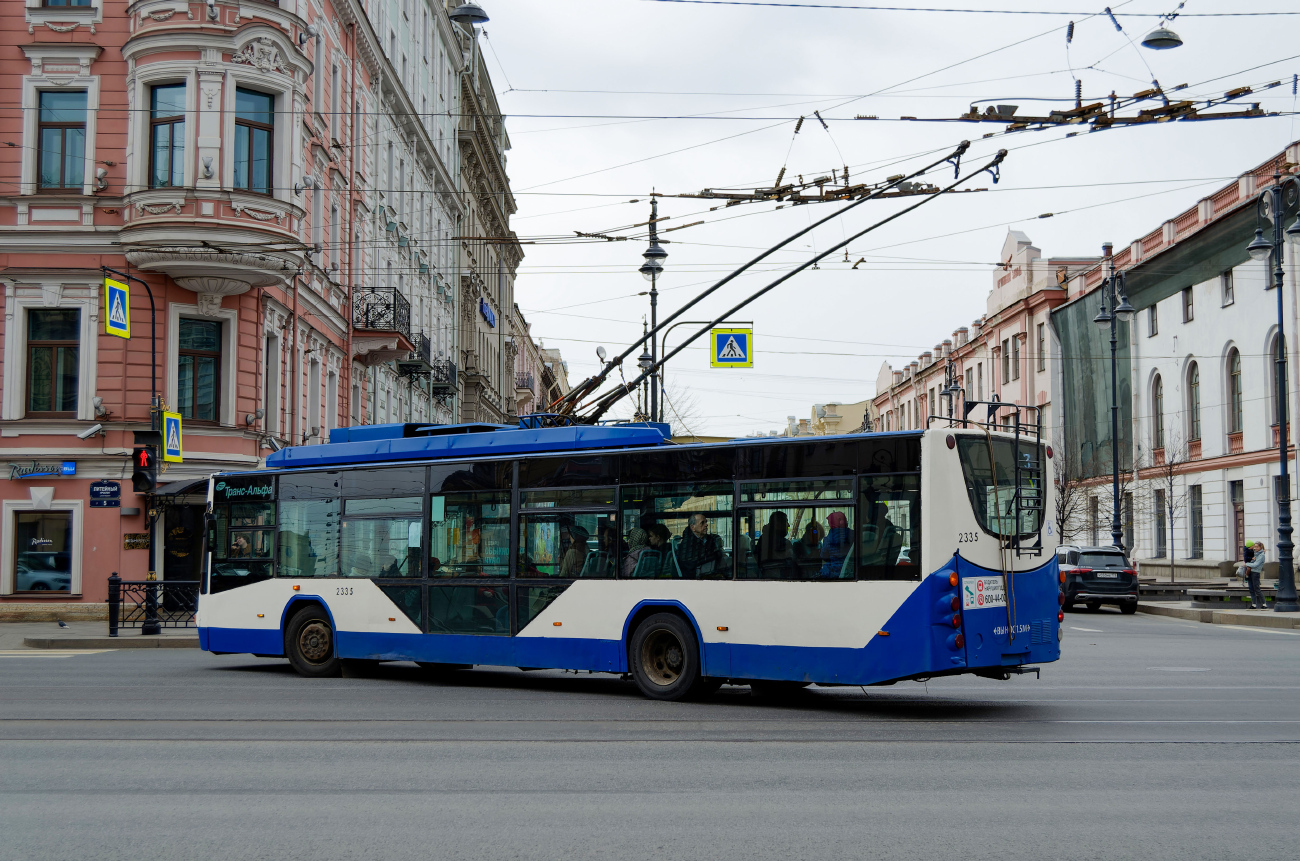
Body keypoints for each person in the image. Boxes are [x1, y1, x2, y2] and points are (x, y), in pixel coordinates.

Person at [677, 513, 723, 578]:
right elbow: (690, 566)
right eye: (702, 523)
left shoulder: (709, 539)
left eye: (706, 522)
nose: (706, 525)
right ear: (693, 527)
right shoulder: (687, 544)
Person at [819, 511, 854, 578]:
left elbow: (824, 556)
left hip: (835, 573)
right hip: (851, 571)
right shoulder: (854, 535)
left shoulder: (828, 539)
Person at [1246, 541, 1267, 609]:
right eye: (1254, 547)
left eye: (1257, 547)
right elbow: (1251, 560)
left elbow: (1256, 564)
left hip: (1256, 573)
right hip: (1250, 572)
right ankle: (1254, 604)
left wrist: (1246, 564)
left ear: (1261, 547)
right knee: (1251, 589)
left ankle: (1264, 604)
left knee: (1257, 589)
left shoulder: (1262, 555)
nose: (1255, 548)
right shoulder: (1255, 553)